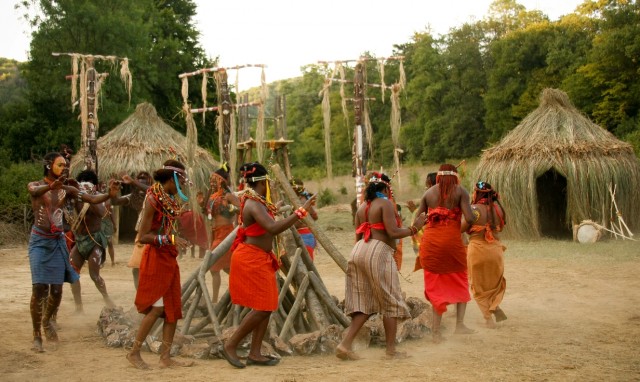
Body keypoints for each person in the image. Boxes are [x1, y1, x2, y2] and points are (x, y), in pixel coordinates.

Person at [221, 162, 316, 368]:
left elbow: (268, 216)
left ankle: (255, 353)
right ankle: (231, 344)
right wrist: (300, 213)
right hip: (251, 258)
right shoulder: (253, 203)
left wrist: (281, 206)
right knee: (263, 307)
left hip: (259, 258)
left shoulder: (256, 201)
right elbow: (272, 228)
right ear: (263, 181)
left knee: (266, 305)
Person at [27, 152, 118, 352]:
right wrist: (52, 186)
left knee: (57, 290)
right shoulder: (36, 186)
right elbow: (34, 190)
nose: (65, 168)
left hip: (58, 241)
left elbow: (90, 199)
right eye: (60, 165)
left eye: (66, 165)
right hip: (40, 242)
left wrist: (108, 196)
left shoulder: (67, 189)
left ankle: (47, 321)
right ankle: (37, 336)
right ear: (48, 165)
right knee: (39, 288)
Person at [336, 172, 426, 361]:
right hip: (378, 252)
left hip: (359, 251)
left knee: (365, 303)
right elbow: (392, 232)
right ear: (386, 189)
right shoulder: (385, 204)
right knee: (390, 301)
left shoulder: (362, 208)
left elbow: (358, 237)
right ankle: (391, 351)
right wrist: (415, 228)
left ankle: (344, 345)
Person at [126, 160, 194, 370]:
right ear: (172, 178)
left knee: (171, 309)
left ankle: (165, 357)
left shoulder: (169, 199)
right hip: (156, 259)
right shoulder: (153, 199)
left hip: (168, 258)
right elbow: (143, 236)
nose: (182, 184)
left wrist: (175, 239)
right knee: (156, 309)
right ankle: (134, 352)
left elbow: (167, 229)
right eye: (181, 179)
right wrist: (171, 240)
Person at [414, 164, 477, 343]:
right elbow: (471, 218)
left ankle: (435, 333)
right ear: (455, 177)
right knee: (460, 279)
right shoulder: (461, 191)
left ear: (439, 177)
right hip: (452, 243)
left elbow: (419, 218)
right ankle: (459, 325)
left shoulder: (428, 194)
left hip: (431, 244)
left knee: (436, 286)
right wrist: (459, 225)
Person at [68, 170, 118, 313]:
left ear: (94, 187)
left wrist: (89, 198)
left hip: (94, 241)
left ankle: (107, 298)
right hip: (80, 241)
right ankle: (79, 307)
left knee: (94, 276)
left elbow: (102, 213)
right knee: (72, 273)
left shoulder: (99, 198)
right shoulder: (76, 197)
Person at [461, 181, 507, 328]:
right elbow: (501, 227)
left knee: (478, 286)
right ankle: (494, 305)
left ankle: (488, 319)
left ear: (477, 193)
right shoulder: (498, 209)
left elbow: (461, 228)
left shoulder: (473, 209)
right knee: (494, 283)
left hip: (477, 251)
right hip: (495, 251)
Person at [206, 165, 240, 304]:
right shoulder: (213, 197)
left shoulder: (229, 196)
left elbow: (241, 210)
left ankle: (215, 301)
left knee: (214, 267)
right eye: (211, 180)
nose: (212, 183)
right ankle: (238, 290)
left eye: (215, 180)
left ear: (222, 181)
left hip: (226, 233)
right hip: (216, 233)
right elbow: (208, 215)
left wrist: (230, 207)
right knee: (226, 268)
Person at [409, 172, 437, 270]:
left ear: (429, 184)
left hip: (433, 243)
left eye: (427, 184)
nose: (426, 187)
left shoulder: (430, 196)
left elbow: (420, 221)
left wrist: (415, 212)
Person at [290, 178, 319, 260]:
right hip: (304, 235)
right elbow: (314, 216)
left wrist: (288, 225)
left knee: (307, 265)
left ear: (293, 189)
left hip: (305, 237)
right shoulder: (300, 200)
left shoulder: (302, 201)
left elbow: (314, 216)